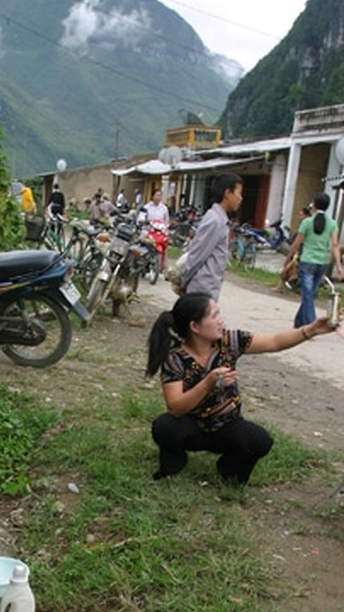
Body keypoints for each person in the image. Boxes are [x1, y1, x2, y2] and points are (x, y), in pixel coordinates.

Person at [145, 292, 337, 485]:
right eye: (214, 316)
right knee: (164, 426)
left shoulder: (229, 341)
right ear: (194, 326)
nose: (221, 321)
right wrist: (207, 383)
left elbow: (274, 342)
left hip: (225, 425)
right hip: (190, 426)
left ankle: (229, 472)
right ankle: (173, 466)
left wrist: (311, 330)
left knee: (259, 440)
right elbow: (175, 407)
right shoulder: (175, 358)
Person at [179, 173, 244, 301]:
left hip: (208, 290)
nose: (240, 198)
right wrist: (183, 280)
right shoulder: (215, 220)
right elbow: (197, 254)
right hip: (201, 291)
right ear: (227, 193)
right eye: (239, 193)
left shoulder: (220, 219)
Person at [282, 193, 343, 325]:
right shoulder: (332, 224)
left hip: (307, 262)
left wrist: (287, 259)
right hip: (322, 263)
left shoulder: (307, 222)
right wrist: (339, 266)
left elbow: (296, 243)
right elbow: (335, 245)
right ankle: (299, 323)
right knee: (309, 294)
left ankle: (311, 324)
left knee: (307, 294)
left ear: (313, 205)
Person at [273, 206, 310, 294]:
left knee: (289, 267)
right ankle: (281, 285)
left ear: (306, 215)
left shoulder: (306, 224)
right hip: (297, 249)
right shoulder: (304, 224)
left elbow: (298, 239)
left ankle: (284, 285)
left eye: (301, 215)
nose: (299, 217)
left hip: (300, 250)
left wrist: (294, 249)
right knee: (288, 267)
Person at [144, 188, 170, 270]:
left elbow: (166, 221)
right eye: (157, 195)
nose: (158, 197)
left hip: (159, 232)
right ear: (152, 196)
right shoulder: (147, 207)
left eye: (160, 196)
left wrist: (166, 229)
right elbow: (141, 218)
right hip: (149, 231)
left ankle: (163, 266)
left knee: (165, 245)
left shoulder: (164, 208)